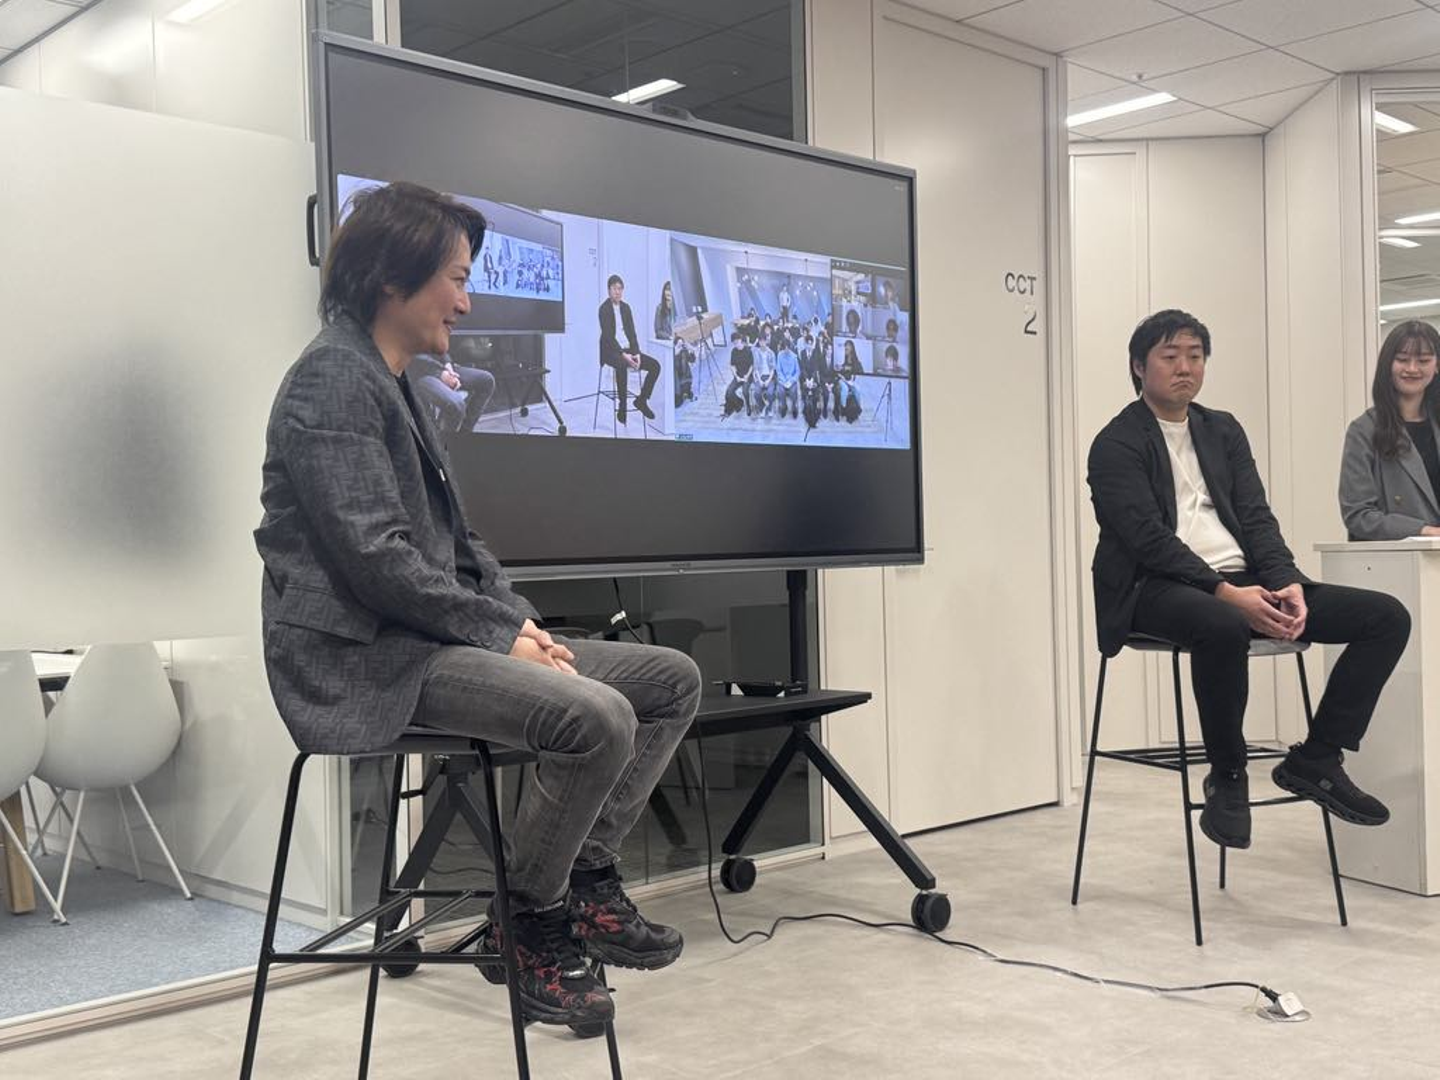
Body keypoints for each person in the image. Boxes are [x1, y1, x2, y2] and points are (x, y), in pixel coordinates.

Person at [254, 181, 701, 1029]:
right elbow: (376, 561)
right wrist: (501, 637)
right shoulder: (331, 381)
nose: (466, 301)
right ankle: (528, 921)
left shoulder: (396, 382)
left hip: (428, 637)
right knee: (596, 716)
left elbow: (461, 548)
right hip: (364, 658)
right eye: (456, 279)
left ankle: (585, 881)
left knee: (669, 681)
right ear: (393, 278)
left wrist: (522, 625)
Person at [1087, 308, 1410, 851]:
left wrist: (1287, 582)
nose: (1185, 367)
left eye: (1195, 356)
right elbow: (1146, 539)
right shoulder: (1116, 442)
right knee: (1222, 624)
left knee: (1385, 617)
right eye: (1170, 356)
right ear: (1139, 366)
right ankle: (1228, 776)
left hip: (1245, 579)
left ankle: (1317, 758)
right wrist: (1227, 594)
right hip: (1153, 587)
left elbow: (1257, 517)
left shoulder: (1222, 429)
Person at [1339, 320, 1440, 540]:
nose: (1412, 368)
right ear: (1388, 364)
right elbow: (1358, 514)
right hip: (1400, 556)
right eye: (1402, 359)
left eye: (1423, 360)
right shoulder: (1363, 430)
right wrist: (1425, 531)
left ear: (1437, 365)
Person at [597, 274, 661, 422]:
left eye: (620, 289)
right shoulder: (603, 309)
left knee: (655, 366)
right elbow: (608, 337)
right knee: (621, 364)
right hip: (611, 351)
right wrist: (623, 355)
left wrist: (636, 353)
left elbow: (632, 333)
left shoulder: (626, 308)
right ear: (609, 290)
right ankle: (622, 406)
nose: (617, 292)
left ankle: (641, 400)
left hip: (628, 350)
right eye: (614, 288)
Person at [410, 353, 496, 433]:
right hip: (420, 372)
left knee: (487, 380)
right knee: (456, 404)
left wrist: (447, 364)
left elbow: (440, 346)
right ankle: (445, 441)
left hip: (440, 366)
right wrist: (440, 373)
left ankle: (464, 433)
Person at [724, 330, 754, 417]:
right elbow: (732, 365)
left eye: (737, 342)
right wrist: (736, 376)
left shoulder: (748, 351)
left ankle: (748, 405)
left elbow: (751, 366)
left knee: (745, 391)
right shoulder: (734, 351)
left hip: (747, 376)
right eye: (734, 343)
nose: (736, 344)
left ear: (741, 340)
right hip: (738, 376)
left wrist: (747, 376)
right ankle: (739, 402)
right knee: (729, 391)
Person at [837, 338, 864, 422]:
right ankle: (843, 409)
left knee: (857, 390)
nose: (846, 348)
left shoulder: (856, 361)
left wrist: (852, 377)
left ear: (852, 348)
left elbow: (858, 371)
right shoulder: (842, 357)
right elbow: (838, 371)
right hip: (842, 379)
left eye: (848, 346)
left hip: (851, 380)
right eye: (845, 346)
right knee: (844, 389)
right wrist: (841, 372)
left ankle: (858, 409)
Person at [774, 335, 801, 419]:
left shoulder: (794, 356)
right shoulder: (779, 355)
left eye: (788, 348)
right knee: (780, 390)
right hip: (782, 380)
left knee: (793, 391)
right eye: (784, 348)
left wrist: (791, 380)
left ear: (790, 347)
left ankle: (794, 406)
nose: (786, 350)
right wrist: (783, 380)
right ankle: (784, 406)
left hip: (791, 380)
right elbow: (778, 370)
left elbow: (797, 371)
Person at [752, 330, 777, 416]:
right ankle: (762, 407)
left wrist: (768, 380)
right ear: (758, 342)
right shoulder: (756, 352)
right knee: (756, 393)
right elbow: (755, 368)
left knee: (770, 392)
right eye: (760, 341)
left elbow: (773, 369)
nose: (762, 343)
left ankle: (769, 408)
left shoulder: (771, 353)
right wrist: (759, 380)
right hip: (760, 376)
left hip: (769, 376)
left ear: (766, 341)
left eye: (764, 341)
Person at [673, 334, 695, 407]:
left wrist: (692, 352)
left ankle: (686, 392)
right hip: (678, 378)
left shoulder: (684, 351)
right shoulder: (673, 353)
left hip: (686, 376)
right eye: (679, 344)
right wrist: (676, 354)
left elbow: (692, 360)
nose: (681, 346)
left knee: (687, 390)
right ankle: (682, 394)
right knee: (678, 403)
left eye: (682, 344)